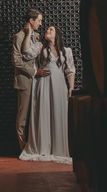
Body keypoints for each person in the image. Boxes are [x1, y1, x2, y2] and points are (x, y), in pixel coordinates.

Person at [19, 25, 75, 164]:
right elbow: (26, 53)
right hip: (43, 85)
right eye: (47, 29)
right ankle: (42, 147)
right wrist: (28, 34)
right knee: (43, 114)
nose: (47, 31)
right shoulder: (39, 47)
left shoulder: (66, 51)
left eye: (51, 30)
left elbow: (70, 71)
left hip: (59, 86)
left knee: (58, 114)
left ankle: (58, 149)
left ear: (57, 35)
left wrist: (71, 88)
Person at [11, 9, 50, 151]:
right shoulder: (19, 36)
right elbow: (16, 61)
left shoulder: (38, 36)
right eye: (39, 20)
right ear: (31, 21)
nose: (40, 23)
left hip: (38, 81)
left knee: (35, 115)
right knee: (23, 117)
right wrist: (34, 72)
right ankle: (22, 148)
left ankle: (33, 145)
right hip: (25, 81)